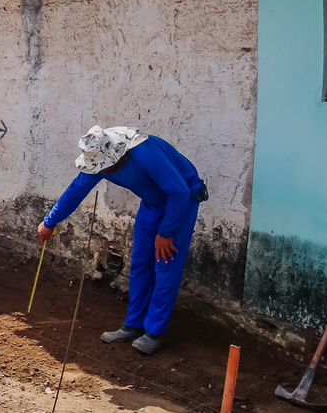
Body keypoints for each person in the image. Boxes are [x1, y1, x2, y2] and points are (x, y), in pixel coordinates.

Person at [37, 126, 207, 355]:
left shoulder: (145, 154)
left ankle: (155, 332)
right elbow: (77, 190)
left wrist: (166, 233)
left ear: (115, 156)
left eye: (104, 166)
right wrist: (49, 222)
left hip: (180, 202)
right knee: (139, 262)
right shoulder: (98, 160)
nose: (101, 170)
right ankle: (133, 325)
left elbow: (179, 192)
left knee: (165, 264)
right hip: (153, 203)